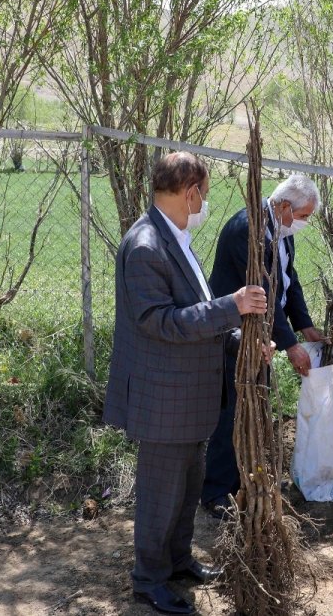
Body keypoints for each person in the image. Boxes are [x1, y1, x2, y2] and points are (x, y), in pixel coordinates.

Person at [102, 151, 270, 616]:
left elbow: (195, 315)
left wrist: (239, 342)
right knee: (161, 494)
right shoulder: (145, 246)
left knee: (186, 487)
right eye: (205, 193)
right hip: (164, 399)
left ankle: (177, 561)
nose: (205, 202)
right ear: (191, 191)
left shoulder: (174, 237)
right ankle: (149, 579)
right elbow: (161, 322)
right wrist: (231, 306)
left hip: (188, 397)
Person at [202, 173, 325, 516]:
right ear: (285, 206)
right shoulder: (249, 231)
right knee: (234, 413)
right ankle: (215, 493)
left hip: (262, 336)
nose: (304, 223)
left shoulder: (280, 228)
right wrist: (291, 346)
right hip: (236, 335)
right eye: (303, 217)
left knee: (254, 410)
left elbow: (289, 279)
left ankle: (243, 482)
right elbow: (263, 295)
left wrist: (305, 325)